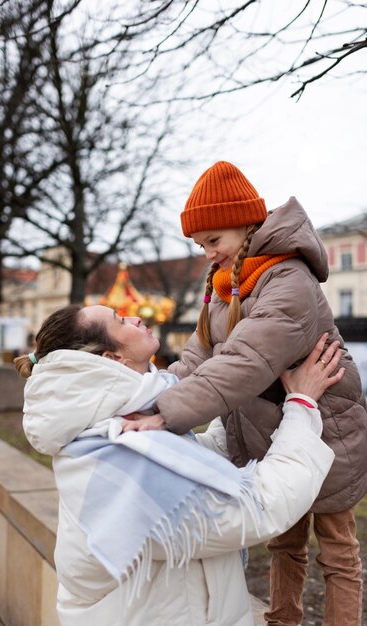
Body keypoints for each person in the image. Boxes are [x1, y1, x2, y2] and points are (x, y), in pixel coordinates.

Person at [125, 161, 367, 626]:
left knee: (337, 551)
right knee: (285, 542)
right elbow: (199, 358)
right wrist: (146, 399)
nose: (208, 254)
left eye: (213, 241)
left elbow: (244, 361)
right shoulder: (227, 286)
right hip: (278, 429)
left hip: (329, 428)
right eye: (201, 245)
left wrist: (168, 414)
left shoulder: (287, 280)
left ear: (246, 223)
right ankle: (282, 620)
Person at [15, 303, 340, 626]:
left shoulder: (112, 426)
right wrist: (301, 405)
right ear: (112, 359)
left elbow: (197, 461)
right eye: (120, 320)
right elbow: (254, 511)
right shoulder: (121, 450)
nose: (135, 316)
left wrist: (241, 400)